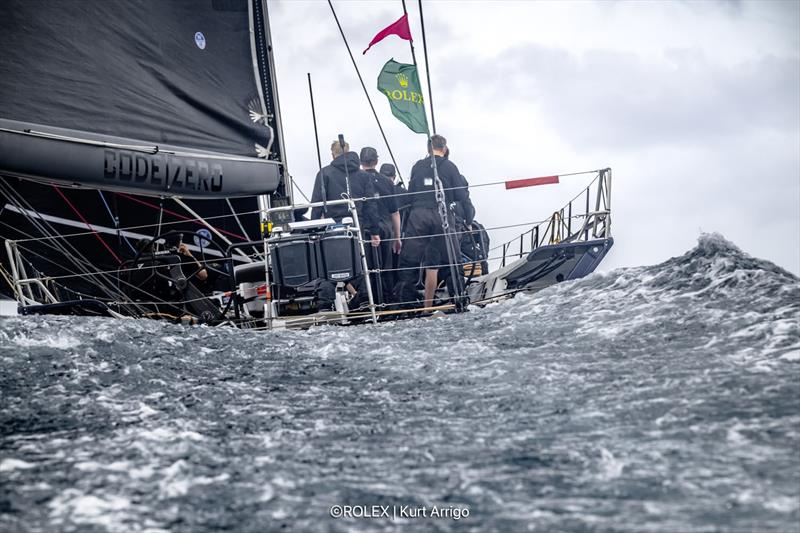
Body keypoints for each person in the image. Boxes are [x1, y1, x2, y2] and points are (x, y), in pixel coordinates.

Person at [396, 134, 472, 308]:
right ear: (444, 149)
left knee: (409, 261)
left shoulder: (418, 166)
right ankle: (458, 298)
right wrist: (468, 219)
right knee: (453, 259)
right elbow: (461, 195)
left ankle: (404, 304)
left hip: (418, 217)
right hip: (441, 214)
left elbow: (411, 193)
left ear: (428, 149)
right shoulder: (450, 166)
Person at [310, 139, 381, 310]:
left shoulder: (324, 173)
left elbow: (317, 205)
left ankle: (324, 307)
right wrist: (374, 231)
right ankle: (365, 301)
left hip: (331, 230)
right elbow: (371, 204)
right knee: (359, 266)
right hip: (357, 228)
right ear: (348, 152)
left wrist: (314, 229)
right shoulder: (363, 176)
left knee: (327, 268)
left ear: (333, 154)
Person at [360, 147, 401, 304]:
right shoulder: (386, 182)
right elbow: (395, 213)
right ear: (376, 162)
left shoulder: (355, 179)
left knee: (367, 268)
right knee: (386, 268)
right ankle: (388, 301)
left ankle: (369, 302)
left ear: (360, 162)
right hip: (385, 228)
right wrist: (397, 238)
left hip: (364, 229)